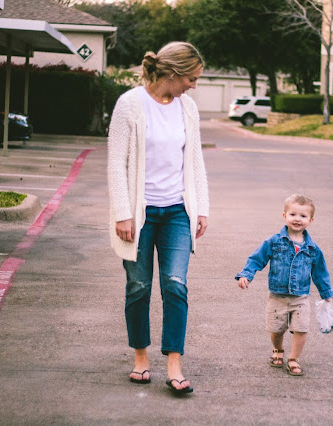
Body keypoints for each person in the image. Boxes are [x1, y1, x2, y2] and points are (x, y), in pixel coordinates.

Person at [107, 41, 209, 394]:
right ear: (173, 73)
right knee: (138, 287)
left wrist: (202, 208)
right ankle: (140, 357)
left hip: (178, 212)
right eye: (192, 78)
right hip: (139, 214)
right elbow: (116, 163)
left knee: (175, 284)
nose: (194, 85)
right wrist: (122, 212)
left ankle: (174, 363)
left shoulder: (188, 108)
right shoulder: (130, 104)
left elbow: (194, 160)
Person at [235, 194, 333, 376]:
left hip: (301, 297)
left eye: (303, 216)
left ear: (310, 220)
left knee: (301, 329)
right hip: (277, 297)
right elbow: (257, 259)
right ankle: (278, 349)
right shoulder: (273, 242)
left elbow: (320, 272)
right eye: (293, 214)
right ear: (284, 216)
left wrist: (326, 292)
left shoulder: (313, 249)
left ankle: (294, 359)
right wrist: (246, 275)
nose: (297, 219)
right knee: (275, 330)